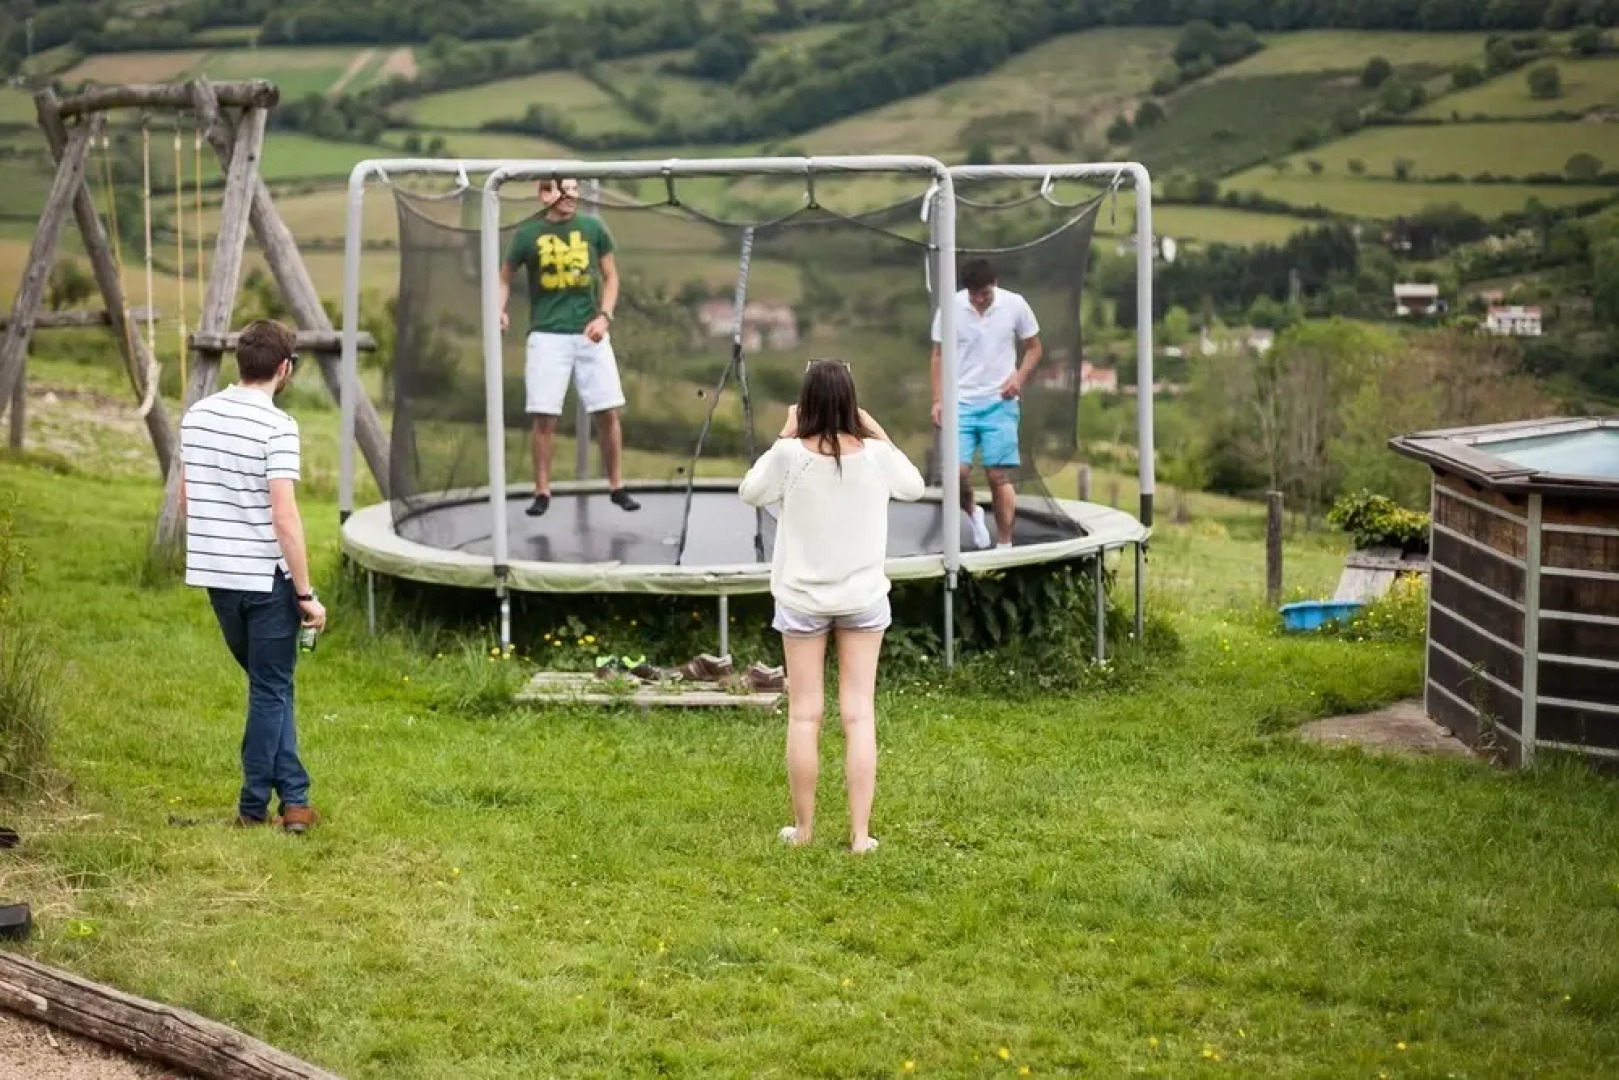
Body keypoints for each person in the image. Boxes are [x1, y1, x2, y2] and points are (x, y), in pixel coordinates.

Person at [739, 359, 925, 854]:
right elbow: (914, 486)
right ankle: (860, 836)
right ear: (851, 402)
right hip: (863, 599)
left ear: (805, 402)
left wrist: (783, 435)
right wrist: (879, 433)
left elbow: (750, 491)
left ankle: (803, 831)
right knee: (858, 715)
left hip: (801, 600)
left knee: (805, 716)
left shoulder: (789, 457)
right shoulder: (875, 457)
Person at [178, 318, 325, 834]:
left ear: (242, 362)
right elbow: (284, 515)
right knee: (270, 689)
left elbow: (186, 499)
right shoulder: (277, 426)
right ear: (284, 369)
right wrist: (306, 594)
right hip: (266, 580)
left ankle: (298, 801)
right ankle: (251, 806)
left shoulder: (196, 415)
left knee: (271, 686)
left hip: (217, 577)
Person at [498, 176, 640, 516]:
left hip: (590, 330)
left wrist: (605, 316)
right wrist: (498, 310)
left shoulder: (593, 228)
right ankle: (542, 490)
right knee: (544, 415)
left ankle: (616, 485)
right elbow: (504, 277)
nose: (572, 196)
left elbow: (611, 277)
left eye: (576, 189)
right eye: (565, 190)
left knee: (608, 410)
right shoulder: (527, 235)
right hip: (547, 333)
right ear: (545, 193)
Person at [930, 258, 1042, 550]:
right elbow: (939, 355)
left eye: (985, 293)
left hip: (1000, 402)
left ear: (995, 284)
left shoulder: (1015, 305)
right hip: (961, 402)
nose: (979, 299)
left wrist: (1018, 379)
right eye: (974, 294)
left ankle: (1004, 543)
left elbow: (1034, 348)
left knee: (997, 473)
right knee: (957, 473)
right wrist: (939, 399)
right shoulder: (951, 308)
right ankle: (974, 514)